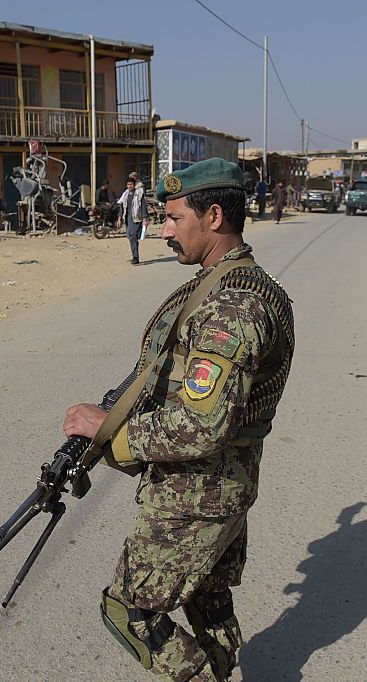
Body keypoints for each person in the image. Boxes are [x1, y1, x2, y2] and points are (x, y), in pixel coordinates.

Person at [63, 158, 295, 681]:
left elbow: (201, 425)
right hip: (220, 488)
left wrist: (111, 434)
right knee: (207, 596)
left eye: (173, 218)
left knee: (130, 610)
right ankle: (221, 667)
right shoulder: (224, 282)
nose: (162, 231)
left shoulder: (233, 306)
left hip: (198, 494)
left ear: (213, 216)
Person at [117, 177, 148, 264]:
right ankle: (134, 255)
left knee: (132, 235)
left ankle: (135, 257)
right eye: (128, 184)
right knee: (130, 236)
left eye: (131, 184)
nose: (130, 186)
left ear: (134, 185)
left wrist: (145, 218)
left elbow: (143, 206)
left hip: (137, 218)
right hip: (128, 218)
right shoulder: (125, 194)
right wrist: (119, 218)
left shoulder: (139, 193)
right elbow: (121, 207)